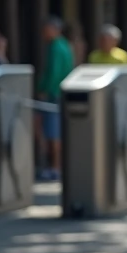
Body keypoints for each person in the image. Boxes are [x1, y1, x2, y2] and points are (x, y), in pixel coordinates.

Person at [36, 16, 75, 181]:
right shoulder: (64, 45)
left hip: (54, 95)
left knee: (52, 133)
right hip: (60, 93)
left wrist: (44, 90)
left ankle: (55, 166)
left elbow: (54, 71)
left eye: (46, 29)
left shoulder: (56, 47)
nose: (43, 32)